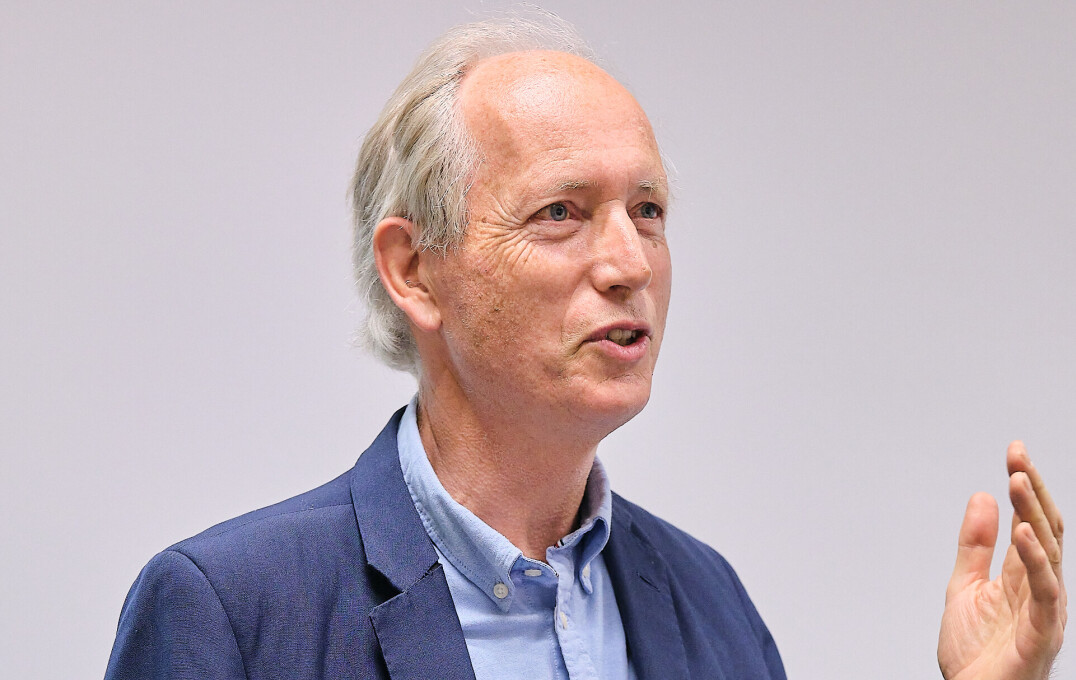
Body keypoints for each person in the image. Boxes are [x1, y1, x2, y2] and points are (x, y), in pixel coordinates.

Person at [104, 13, 1066, 680]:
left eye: (647, 211)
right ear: (414, 270)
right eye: (561, 212)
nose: (629, 262)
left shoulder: (707, 602)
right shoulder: (232, 612)